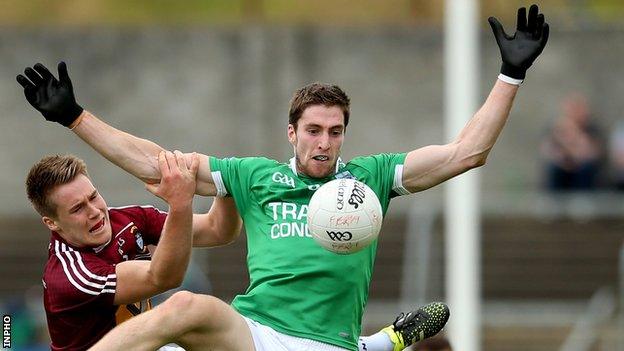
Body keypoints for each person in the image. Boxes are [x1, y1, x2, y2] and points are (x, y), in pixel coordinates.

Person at [17, 4, 548, 351]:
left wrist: (511, 74)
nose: (324, 142)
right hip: (254, 332)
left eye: (335, 132)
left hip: (324, 341)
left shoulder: (373, 177)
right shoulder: (257, 176)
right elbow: (160, 164)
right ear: (290, 133)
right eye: (313, 130)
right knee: (182, 309)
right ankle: (382, 344)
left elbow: (467, 153)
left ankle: (376, 344)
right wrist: (76, 117)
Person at [24, 153, 247, 350]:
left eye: (93, 197)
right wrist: (180, 203)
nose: (95, 212)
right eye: (77, 208)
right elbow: (163, 277)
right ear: (52, 223)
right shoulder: (71, 275)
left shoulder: (128, 219)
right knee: (184, 307)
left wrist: (224, 178)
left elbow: (218, 230)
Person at [540, 93, 604, 191]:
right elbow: (548, 150)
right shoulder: (558, 128)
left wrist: (575, 134)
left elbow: (593, 153)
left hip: (583, 167)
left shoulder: (592, 129)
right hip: (562, 166)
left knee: (585, 170)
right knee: (554, 170)